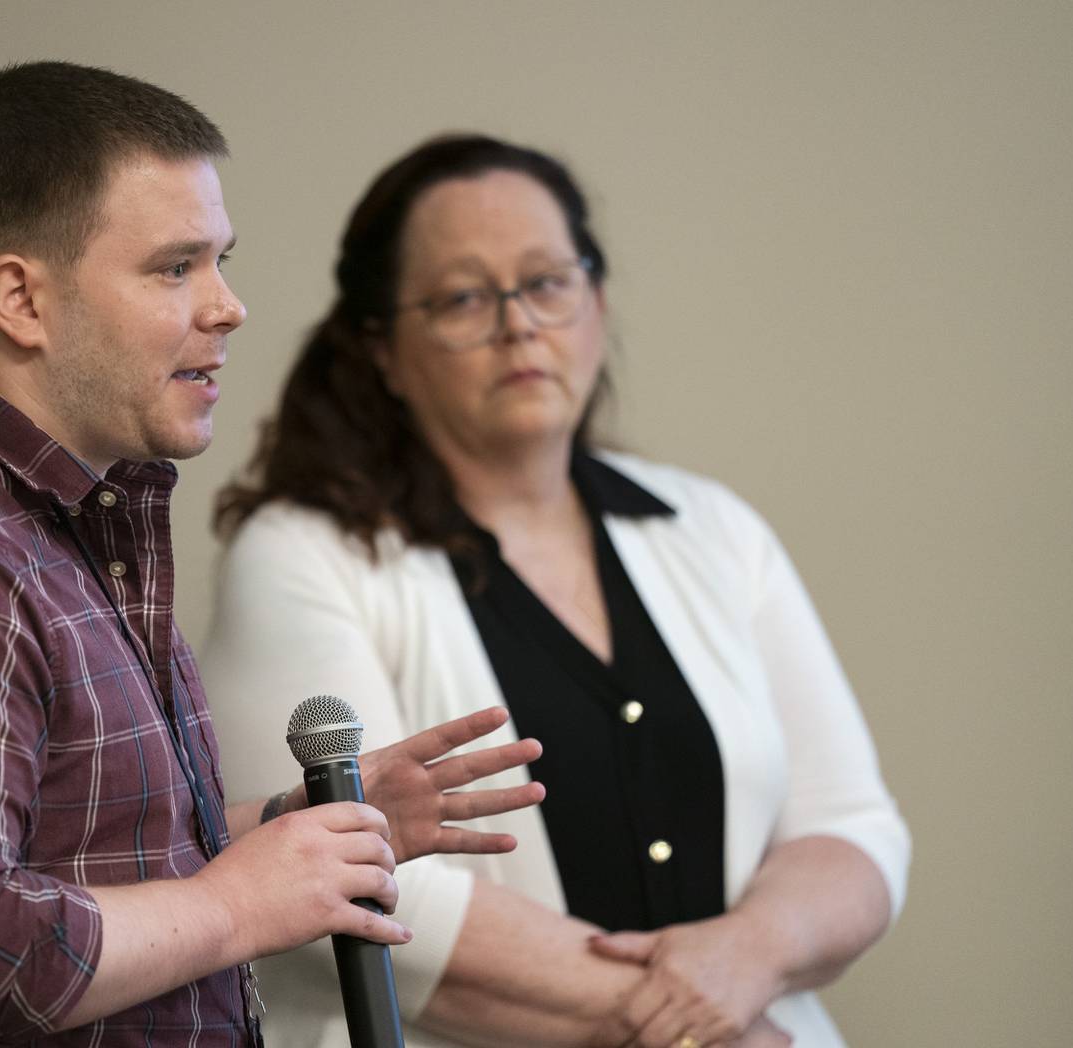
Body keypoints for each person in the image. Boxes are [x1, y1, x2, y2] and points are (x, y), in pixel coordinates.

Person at [0, 65, 547, 1048]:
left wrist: (294, 836)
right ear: (20, 301)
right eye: (176, 267)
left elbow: (90, 859)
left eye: (221, 260)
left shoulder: (61, 520)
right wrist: (241, 904)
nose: (228, 306)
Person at [200, 134, 911, 1048]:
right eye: (463, 297)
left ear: (598, 301)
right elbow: (346, 861)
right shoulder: (304, 554)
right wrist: (702, 1027)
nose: (518, 324)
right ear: (384, 350)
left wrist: (750, 956)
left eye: (547, 282)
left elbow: (850, 823)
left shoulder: (712, 528)